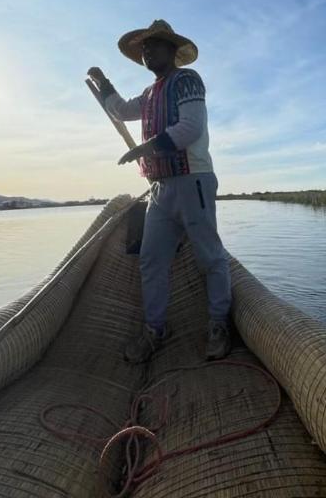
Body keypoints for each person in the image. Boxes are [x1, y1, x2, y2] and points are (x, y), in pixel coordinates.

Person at [87, 19, 232, 364]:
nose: (147, 52)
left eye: (154, 46)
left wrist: (143, 150)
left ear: (172, 50)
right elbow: (121, 111)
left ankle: (218, 324)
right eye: (144, 49)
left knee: (210, 256)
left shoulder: (187, 81)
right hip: (160, 189)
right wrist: (103, 83)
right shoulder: (151, 94)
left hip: (192, 180)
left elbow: (190, 128)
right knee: (151, 260)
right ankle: (155, 329)